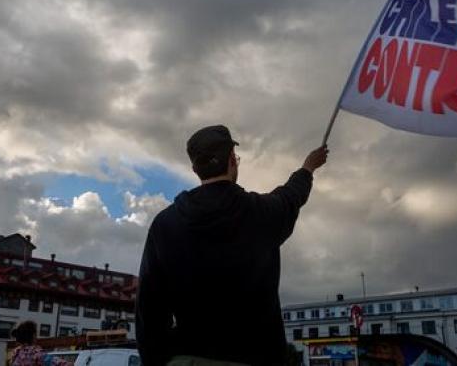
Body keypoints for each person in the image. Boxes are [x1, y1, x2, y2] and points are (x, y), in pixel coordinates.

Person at [136, 125, 329, 365]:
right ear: (232, 161)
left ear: (195, 168)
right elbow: (291, 196)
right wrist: (308, 167)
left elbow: (149, 309)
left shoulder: (164, 225)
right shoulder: (262, 213)